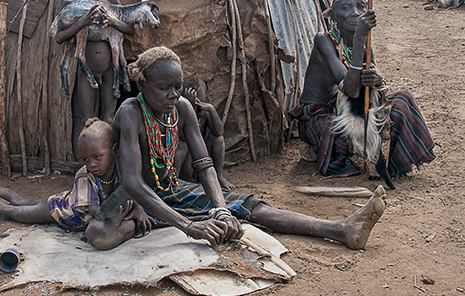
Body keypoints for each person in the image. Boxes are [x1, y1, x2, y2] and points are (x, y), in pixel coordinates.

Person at [113, 46, 386, 249]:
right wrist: (190, 226)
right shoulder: (131, 113)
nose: (174, 94)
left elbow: (204, 165)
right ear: (142, 85)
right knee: (106, 230)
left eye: (178, 86)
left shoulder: (181, 108)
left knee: (246, 206)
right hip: (136, 198)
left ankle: (340, 228)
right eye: (164, 88)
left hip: (172, 189)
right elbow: (132, 182)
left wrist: (220, 208)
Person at [288, 0, 435, 181]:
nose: (355, 13)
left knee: (402, 100)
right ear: (334, 17)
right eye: (346, 7)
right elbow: (351, 89)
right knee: (334, 132)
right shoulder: (324, 41)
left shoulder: (365, 44)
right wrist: (359, 39)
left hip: (352, 114)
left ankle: (393, 167)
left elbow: (370, 92)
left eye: (360, 6)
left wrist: (375, 81)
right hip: (321, 115)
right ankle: (328, 150)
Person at [0, 118, 154, 250]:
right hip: (57, 210)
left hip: (63, 199)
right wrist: (118, 217)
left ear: (115, 151)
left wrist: (139, 208)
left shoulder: (121, 168)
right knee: (12, 210)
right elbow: (96, 212)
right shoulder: (84, 176)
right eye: (86, 159)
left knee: (20, 201)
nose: (92, 164)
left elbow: (133, 189)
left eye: (97, 157)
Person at [54, 0, 136, 161]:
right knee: (85, 118)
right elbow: (59, 37)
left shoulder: (110, 1)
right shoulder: (71, 4)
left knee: (109, 116)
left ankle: (110, 163)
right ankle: (83, 166)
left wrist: (113, 21)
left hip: (110, 71)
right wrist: (82, 21)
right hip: (86, 71)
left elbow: (131, 30)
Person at [174, 77, 235, 190]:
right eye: (195, 104)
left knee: (218, 139)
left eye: (200, 103)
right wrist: (190, 110)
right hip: (187, 164)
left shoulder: (205, 112)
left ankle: (218, 176)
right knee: (182, 144)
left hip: (204, 162)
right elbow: (182, 137)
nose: (199, 108)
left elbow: (219, 132)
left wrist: (211, 109)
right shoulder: (179, 111)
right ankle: (177, 180)